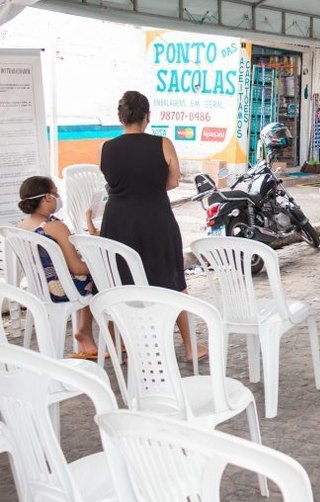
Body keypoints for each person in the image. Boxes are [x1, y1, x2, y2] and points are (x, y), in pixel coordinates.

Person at [99, 91, 206, 363]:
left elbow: (111, 180)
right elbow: (172, 182)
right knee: (172, 279)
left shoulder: (107, 148)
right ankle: (190, 346)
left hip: (118, 220)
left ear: (120, 117)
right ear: (147, 116)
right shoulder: (163, 144)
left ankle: (118, 344)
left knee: (118, 279)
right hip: (155, 217)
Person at [17, 176, 98, 359]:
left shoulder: (21, 226)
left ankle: (84, 332)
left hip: (38, 288)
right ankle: (86, 331)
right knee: (97, 276)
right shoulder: (55, 227)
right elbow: (77, 268)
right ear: (47, 197)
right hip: (61, 291)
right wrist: (99, 266)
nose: (58, 197)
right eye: (56, 193)